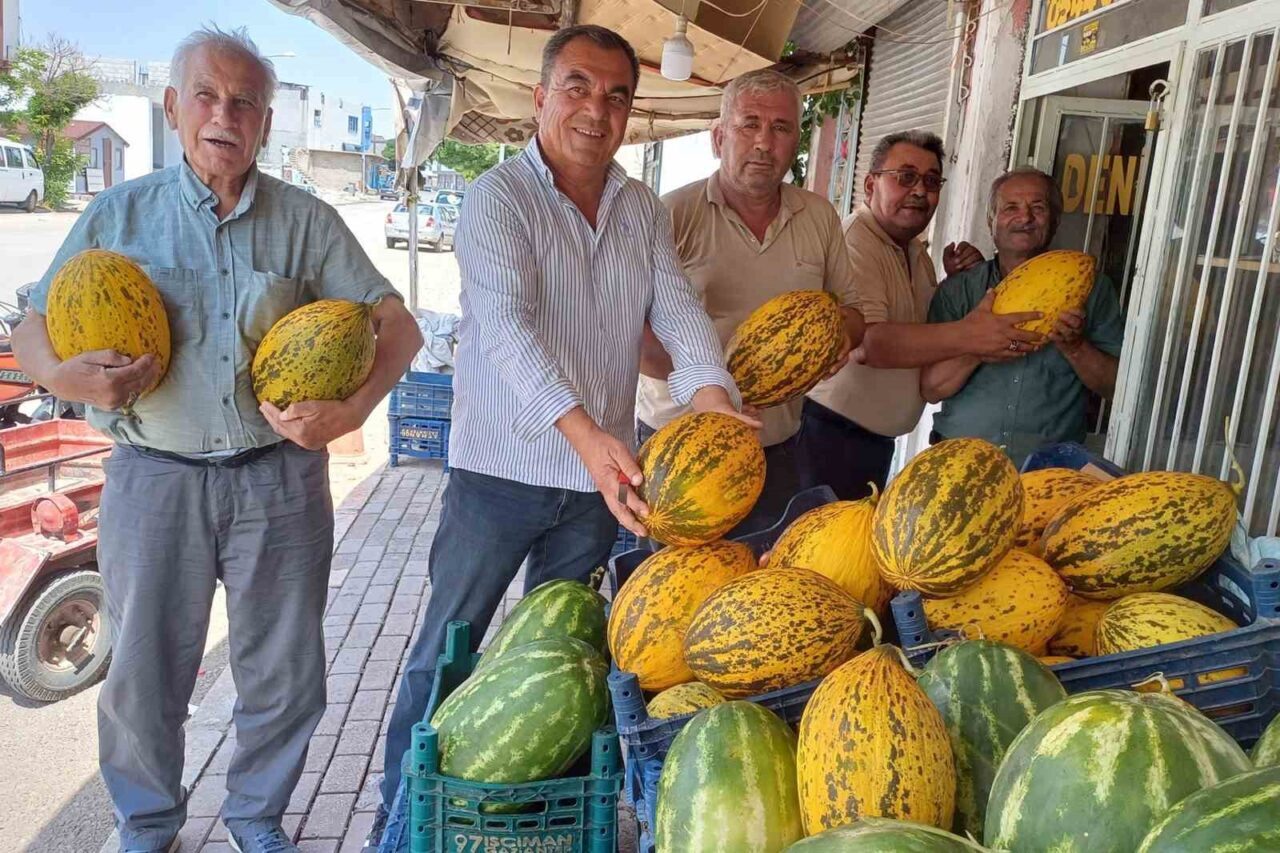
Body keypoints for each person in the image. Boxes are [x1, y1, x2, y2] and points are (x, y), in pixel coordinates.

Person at [11, 26, 422, 853]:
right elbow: (31, 325)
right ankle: (147, 823)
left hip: (278, 479)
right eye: (206, 95)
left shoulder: (306, 222)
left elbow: (398, 327)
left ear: (266, 123)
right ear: (173, 107)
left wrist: (354, 409)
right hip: (153, 477)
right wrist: (65, 377)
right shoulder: (119, 214)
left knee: (285, 673)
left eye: (244, 103)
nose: (223, 115)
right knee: (142, 673)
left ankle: (256, 815)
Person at [373, 24, 753, 847]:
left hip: (597, 490)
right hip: (498, 475)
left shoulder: (640, 209)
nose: (597, 108)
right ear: (541, 96)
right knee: (451, 650)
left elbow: (678, 310)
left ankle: (527, 828)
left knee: (566, 674)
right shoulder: (496, 198)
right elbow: (506, 330)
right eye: (578, 86)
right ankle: (396, 826)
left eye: (617, 94)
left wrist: (711, 393)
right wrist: (582, 431)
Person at [636, 69, 862, 532]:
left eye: (780, 128)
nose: (764, 142)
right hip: (682, 441)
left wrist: (839, 339)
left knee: (760, 574)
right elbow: (630, 334)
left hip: (774, 440)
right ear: (719, 137)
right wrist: (709, 392)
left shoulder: (818, 216)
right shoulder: (669, 214)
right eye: (749, 125)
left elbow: (855, 313)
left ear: (796, 140)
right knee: (679, 586)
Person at [800, 130, 1028, 498]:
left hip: (867, 443)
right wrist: (971, 335)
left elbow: (914, 325)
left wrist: (952, 284)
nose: (920, 191)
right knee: (820, 551)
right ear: (871, 185)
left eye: (931, 180)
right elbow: (870, 343)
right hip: (827, 437)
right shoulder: (855, 242)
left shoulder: (911, 249)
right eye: (905, 177)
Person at [923, 166, 1124, 465]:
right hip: (958, 462)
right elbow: (931, 388)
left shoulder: (1091, 288)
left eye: (1038, 208)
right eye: (1010, 208)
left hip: (1050, 472)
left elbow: (1116, 388)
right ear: (991, 221)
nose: (1025, 218)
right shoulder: (958, 292)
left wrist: (1076, 348)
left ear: (1054, 221)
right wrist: (979, 346)